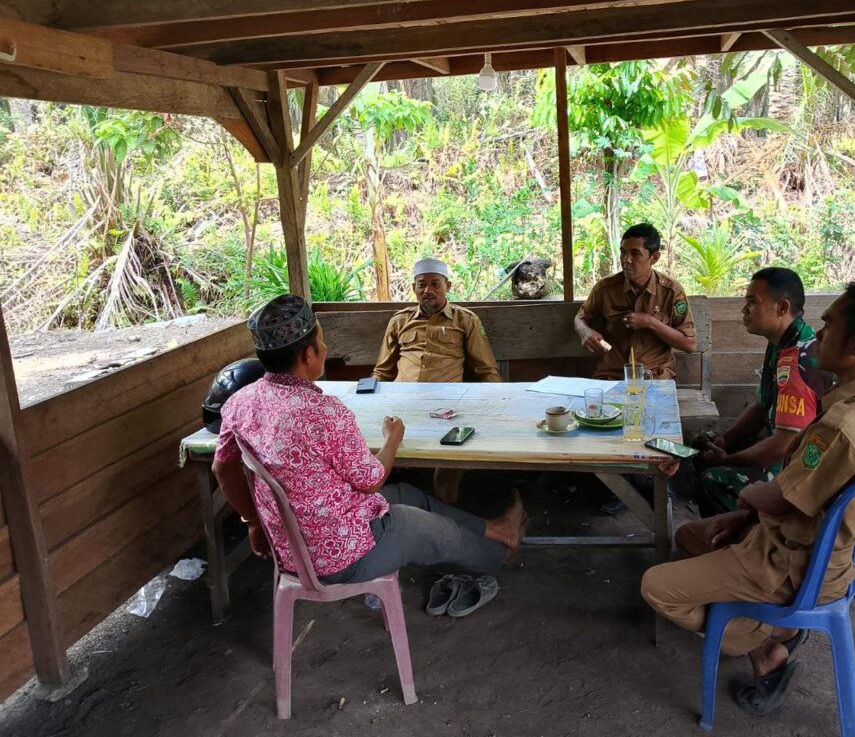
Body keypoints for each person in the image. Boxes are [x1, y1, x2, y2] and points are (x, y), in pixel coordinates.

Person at [641, 277, 855, 717]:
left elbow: (780, 497)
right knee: (691, 537)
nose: (818, 333)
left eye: (829, 325)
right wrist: (745, 514)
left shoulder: (843, 426)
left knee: (656, 586)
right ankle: (759, 625)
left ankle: (767, 642)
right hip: (811, 541)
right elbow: (797, 483)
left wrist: (746, 495)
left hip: (792, 562)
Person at [211, 294, 526, 595]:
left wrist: (253, 522)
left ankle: (495, 529)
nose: (325, 347)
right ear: (308, 355)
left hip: (288, 546)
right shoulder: (325, 412)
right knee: (424, 526)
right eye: (322, 341)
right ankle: (498, 554)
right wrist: (392, 440)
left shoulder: (239, 402)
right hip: (340, 557)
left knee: (409, 495)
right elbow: (371, 481)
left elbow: (222, 469)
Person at [694, 268, 833, 517]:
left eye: (752, 302)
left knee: (711, 479)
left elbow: (783, 446)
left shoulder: (795, 361)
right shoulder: (783, 342)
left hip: (796, 470)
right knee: (702, 446)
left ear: (782, 307)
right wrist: (725, 440)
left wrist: (727, 460)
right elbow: (763, 404)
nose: (744, 310)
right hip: (781, 446)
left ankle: (744, 536)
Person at [575, 222, 697, 380]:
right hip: (612, 374)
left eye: (635, 253)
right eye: (623, 252)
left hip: (653, 375)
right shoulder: (605, 289)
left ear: (654, 257)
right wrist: (585, 332)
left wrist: (650, 322)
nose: (626, 260)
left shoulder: (671, 292)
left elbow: (689, 345)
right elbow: (580, 318)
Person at [373, 257, 501, 383]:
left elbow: (486, 370)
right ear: (414, 288)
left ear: (448, 286)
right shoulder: (399, 321)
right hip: (404, 393)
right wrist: (368, 391)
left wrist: (498, 394)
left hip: (448, 395)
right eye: (422, 285)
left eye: (435, 284)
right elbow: (382, 372)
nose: (428, 291)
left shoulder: (466, 320)